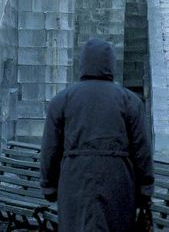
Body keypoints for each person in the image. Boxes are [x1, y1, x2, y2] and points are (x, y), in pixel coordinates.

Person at [40, 39, 153, 232]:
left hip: (74, 182)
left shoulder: (62, 100)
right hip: (118, 183)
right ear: (111, 64)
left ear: (83, 63)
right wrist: (145, 191)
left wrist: (49, 186)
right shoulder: (130, 101)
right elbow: (142, 150)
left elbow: (50, 149)